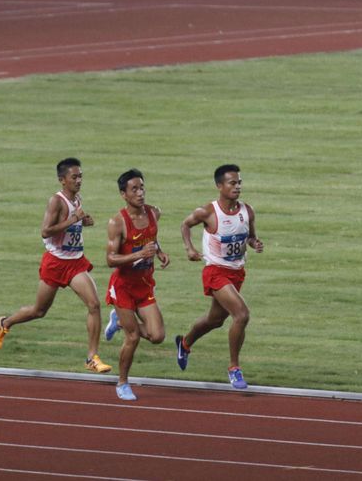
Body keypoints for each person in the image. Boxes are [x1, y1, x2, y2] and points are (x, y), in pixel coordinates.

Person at [0, 157, 112, 374]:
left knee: (94, 305)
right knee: (39, 311)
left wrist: (83, 221)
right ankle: (5, 322)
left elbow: (71, 224)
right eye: (74, 177)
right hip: (56, 262)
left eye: (81, 176)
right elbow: (46, 231)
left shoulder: (77, 199)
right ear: (62, 180)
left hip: (75, 261)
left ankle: (91, 357)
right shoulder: (56, 201)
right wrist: (74, 219)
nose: (79, 180)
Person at [175, 164, 264, 389]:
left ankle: (184, 344)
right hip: (215, 271)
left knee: (215, 320)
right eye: (232, 183)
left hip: (237, 272)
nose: (237, 187)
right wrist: (189, 249)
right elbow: (185, 224)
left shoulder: (247, 210)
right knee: (241, 315)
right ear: (219, 186)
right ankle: (234, 368)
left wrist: (255, 243)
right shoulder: (208, 211)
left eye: (239, 183)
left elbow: (250, 237)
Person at [103, 169, 169, 401]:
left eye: (142, 188)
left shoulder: (154, 213)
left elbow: (151, 237)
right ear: (123, 194)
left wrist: (158, 252)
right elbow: (110, 260)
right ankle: (122, 383)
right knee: (133, 337)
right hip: (123, 287)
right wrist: (140, 254)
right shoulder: (117, 223)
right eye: (134, 189)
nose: (140, 193)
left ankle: (119, 322)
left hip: (144, 284)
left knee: (158, 335)